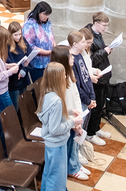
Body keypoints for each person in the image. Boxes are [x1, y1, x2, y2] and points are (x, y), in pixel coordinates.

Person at [37, 62, 83, 191]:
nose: (65, 77)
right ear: (57, 78)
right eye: (63, 74)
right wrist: (73, 122)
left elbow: (52, 115)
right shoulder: (57, 101)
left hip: (51, 144)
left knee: (49, 173)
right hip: (57, 145)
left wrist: (69, 111)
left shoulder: (48, 95)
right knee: (57, 179)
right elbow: (55, 129)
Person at [50, 46, 87, 181]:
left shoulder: (69, 73)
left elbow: (75, 94)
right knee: (69, 144)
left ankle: (75, 164)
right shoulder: (57, 79)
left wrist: (79, 113)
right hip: (66, 119)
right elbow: (62, 104)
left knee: (74, 144)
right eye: (70, 56)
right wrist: (73, 121)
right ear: (62, 59)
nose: (73, 58)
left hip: (73, 115)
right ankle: (71, 168)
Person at [0, 26, 20, 138]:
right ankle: (4, 143)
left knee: (2, 118)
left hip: (2, 89)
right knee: (7, 117)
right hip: (0, 91)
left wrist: (7, 66)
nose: (7, 42)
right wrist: (11, 72)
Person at [86, 14, 113, 141]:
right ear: (96, 24)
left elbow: (98, 50)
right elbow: (90, 60)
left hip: (102, 74)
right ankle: (90, 133)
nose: (106, 28)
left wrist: (106, 49)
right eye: (104, 25)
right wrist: (104, 52)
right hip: (95, 77)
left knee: (100, 105)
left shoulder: (98, 34)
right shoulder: (87, 36)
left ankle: (96, 128)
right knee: (95, 106)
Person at [22, 1, 55, 81]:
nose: (46, 17)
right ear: (38, 12)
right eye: (44, 14)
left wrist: (55, 47)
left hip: (48, 60)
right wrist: (47, 52)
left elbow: (51, 36)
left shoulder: (47, 21)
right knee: (39, 84)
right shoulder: (30, 24)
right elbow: (30, 46)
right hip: (37, 63)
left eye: (48, 15)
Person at [6, 21, 31, 108]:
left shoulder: (23, 41)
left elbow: (29, 55)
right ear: (10, 34)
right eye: (15, 35)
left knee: (24, 104)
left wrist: (24, 69)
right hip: (14, 81)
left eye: (20, 34)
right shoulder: (7, 46)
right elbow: (8, 63)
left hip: (23, 79)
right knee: (16, 106)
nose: (18, 37)